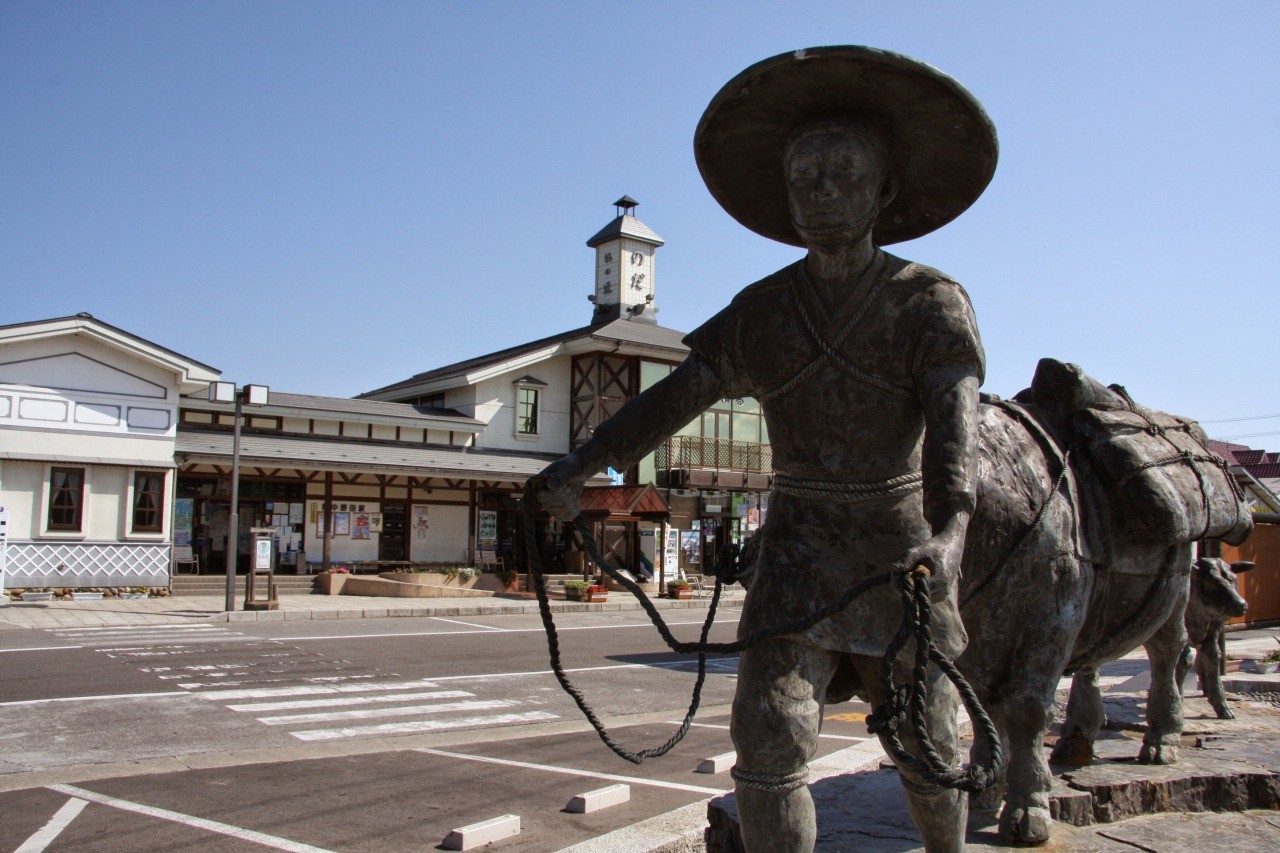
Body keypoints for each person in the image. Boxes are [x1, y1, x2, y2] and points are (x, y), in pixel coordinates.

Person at [530, 46, 997, 852]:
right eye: (802, 176)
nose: (819, 193)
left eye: (841, 172)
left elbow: (956, 468)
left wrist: (948, 542)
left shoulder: (930, 304)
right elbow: (668, 403)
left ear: (883, 188)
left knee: (925, 744)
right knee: (768, 740)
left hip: (900, 553)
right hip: (797, 553)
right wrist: (576, 466)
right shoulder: (764, 312)